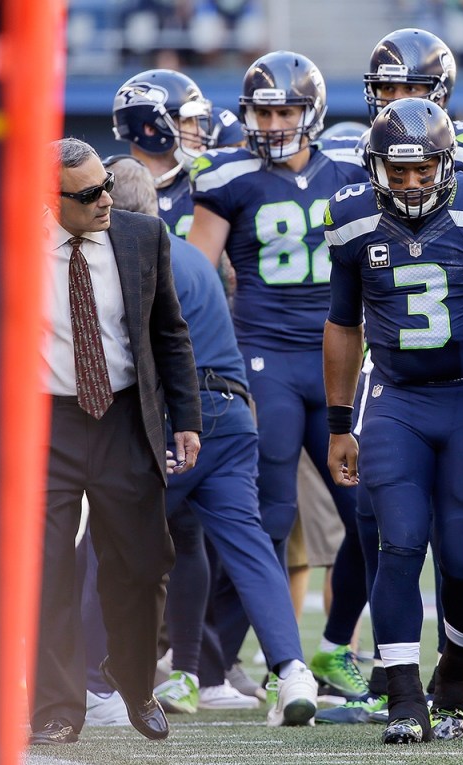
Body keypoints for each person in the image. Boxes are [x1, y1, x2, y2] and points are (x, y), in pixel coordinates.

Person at [323, 97, 463, 744]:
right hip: (395, 400)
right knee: (397, 543)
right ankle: (401, 696)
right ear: (377, 169)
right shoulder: (350, 219)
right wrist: (341, 420)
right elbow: (342, 325)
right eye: (399, 173)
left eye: (424, 170)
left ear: (447, 163)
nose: (413, 183)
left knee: (460, 555)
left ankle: (456, 671)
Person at [104, 155, 319, 726]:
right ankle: (291, 669)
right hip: (234, 414)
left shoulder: (132, 259)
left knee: (105, 543)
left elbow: (144, 361)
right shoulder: (195, 258)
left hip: (182, 419)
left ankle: (89, 683)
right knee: (246, 548)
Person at [188, 50, 371, 702]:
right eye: (261, 110)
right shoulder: (229, 174)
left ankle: (333, 649)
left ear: (311, 111)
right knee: (265, 514)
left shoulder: (351, 171)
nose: (270, 122)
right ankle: (251, 659)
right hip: (260, 358)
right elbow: (194, 272)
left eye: (283, 109)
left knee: (371, 512)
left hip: (335, 364)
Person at [30, 137, 202, 745]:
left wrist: (186, 417)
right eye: (86, 195)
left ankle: (132, 681)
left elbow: (170, 333)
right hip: (43, 423)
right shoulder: (13, 248)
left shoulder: (140, 235)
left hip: (126, 417)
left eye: (105, 185)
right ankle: (55, 707)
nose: (104, 200)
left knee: (143, 562)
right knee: (45, 567)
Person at [112, 68, 214, 238]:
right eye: (187, 121)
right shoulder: (108, 191)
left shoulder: (209, 183)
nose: (200, 133)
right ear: (150, 129)